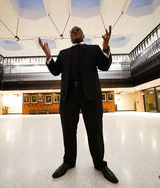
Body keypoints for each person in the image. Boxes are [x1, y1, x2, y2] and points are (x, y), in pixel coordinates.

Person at [38, 25, 118, 183]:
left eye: (78, 30)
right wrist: (48, 57)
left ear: (83, 34)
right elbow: (55, 71)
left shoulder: (94, 49)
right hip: (69, 97)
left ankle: (100, 164)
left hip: (91, 96)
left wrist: (106, 47)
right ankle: (68, 162)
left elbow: (105, 66)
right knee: (68, 131)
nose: (75, 32)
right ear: (70, 37)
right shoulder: (63, 53)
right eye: (72, 31)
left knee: (95, 131)